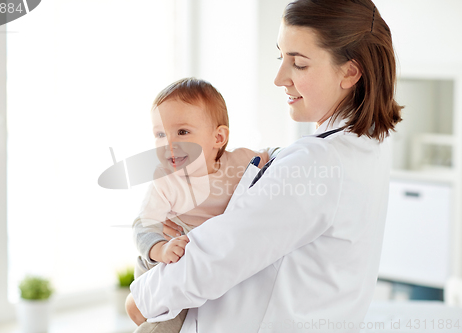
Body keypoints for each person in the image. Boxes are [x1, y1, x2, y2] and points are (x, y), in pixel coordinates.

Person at [127, 0, 403, 332]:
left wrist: (142, 298)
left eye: (298, 64)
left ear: (350, 72)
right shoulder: (363, 146)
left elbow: (219, 256)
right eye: (280, 57)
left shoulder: (318, 161)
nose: (279, 78)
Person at [131, 77, 278, 333]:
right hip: (163, 262)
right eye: (160, 134)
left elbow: (274, 156)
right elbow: (143, 226)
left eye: (183, 132)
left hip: (203, 258)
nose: (169, 144)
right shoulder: (165, 181)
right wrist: (162, 250)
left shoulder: (240, 162)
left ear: (218, 137)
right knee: (166, 324)